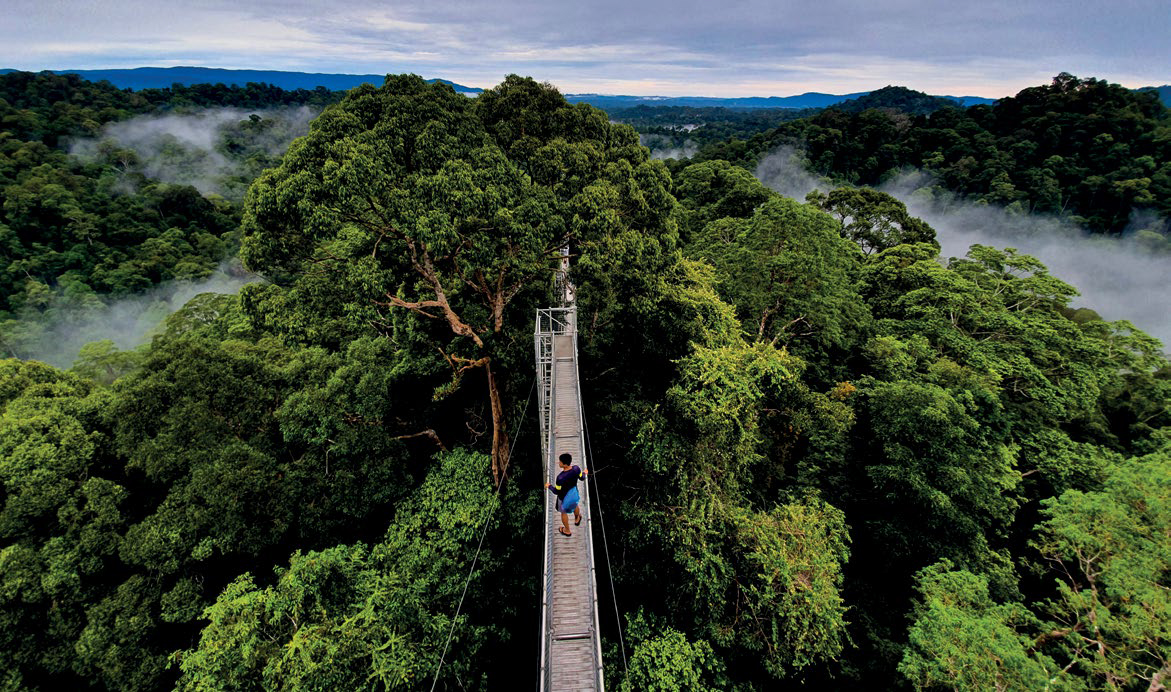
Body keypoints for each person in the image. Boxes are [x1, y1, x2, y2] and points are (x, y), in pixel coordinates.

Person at [545, 452, 587, 536]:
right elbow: (582, 478)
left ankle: (567, 530)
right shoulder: (576, 469)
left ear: (564, 464)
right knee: (575, 505)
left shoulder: (560, 478)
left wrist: (549, 486)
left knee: (563, 513)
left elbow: (557, 491)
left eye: (560, 462)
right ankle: (577, 518)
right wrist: (585, 473)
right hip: (574, 494)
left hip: (563, 498)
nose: (558, 463)